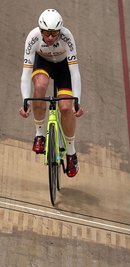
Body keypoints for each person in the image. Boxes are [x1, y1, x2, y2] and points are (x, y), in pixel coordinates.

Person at [20, 8, 84, 177]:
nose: (50, 37)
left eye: (54, 33)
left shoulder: (67, 37)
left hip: (64, 69)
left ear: (60, 31)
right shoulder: (33, 38)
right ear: (40, 30)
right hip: (43, 64)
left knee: (65, 108)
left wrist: (77, 101)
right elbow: (26, 74)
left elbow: (75, 72)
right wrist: (25, 101)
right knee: (40, 86)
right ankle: (39, 134)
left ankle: (71, 153)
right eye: (47, 33)